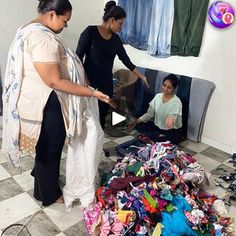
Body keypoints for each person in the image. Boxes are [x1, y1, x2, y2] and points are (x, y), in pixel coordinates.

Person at [2, 0, 110, 207]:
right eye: (64, 20)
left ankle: (41, 185)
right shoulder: (44, 39)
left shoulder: (27, 29)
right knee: (50, 148)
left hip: (36, 99)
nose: (65, 26)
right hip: (46, 103)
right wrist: (93, 93)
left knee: (45, 145)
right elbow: (54, 81)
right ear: (52, 14)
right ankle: (49, 195)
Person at [76, 0, 149, 129]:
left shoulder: (115, 40)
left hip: (106, 85)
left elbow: (127, 61)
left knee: (101, 117)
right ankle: (88, 148)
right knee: (88, 119)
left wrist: (142, 77)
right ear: (111, 20)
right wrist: (84, 79)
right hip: (89, 84)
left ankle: (99, 149)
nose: (121, 28)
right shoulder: (90, 32)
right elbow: (78, 58)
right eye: (120, 24)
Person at [128, 74, 183, 145]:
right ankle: (158, 136)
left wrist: (170, 119)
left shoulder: (176, 101)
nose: (165, 89)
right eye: (164, 85)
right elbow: (149, 114)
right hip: (158, 128)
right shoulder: (157, 97)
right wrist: (136, 121)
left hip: (171, 131)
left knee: (168, 139)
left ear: (174, 89)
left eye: (169, 87)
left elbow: (172, 117)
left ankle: (159, 137)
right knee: (139, 125)